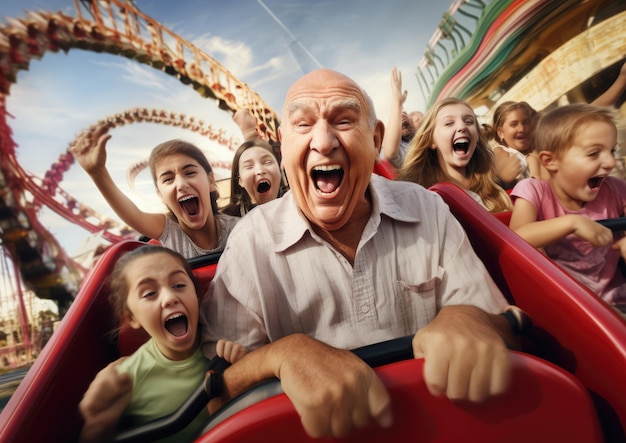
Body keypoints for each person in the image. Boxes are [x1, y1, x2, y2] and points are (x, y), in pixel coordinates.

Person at [199, 69, 521, 439]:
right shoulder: (250, 241)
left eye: (344, 120)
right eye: (303, 124)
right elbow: (218, 397)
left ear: (376, 138)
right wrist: (281, 356)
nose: (322, 141)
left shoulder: (428, 209)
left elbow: (505, 326)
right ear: (283, 148)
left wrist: (471, 320)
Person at [78, 245, 247, 443]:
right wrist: (99, 421)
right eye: (150, 293)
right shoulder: (125, 379)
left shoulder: (224, 338)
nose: (170, 298)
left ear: (197, 295)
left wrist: (244, 364)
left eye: (179, 285)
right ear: (131, 317)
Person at [509, 103, 626, 309]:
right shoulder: (534, 190)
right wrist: (572, 222)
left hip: (618, 298)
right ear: (550, 161)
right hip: (571, 307)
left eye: (612, 150)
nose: (610, 162)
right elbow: (515, 237)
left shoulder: (615, 188)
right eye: (593, 153)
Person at [71, 125, 238, 258]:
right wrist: (97, 173)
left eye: (189, 173)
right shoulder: (169, 231)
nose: (180, 184)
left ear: (210, 181)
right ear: (160, 195)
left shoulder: (239, 228)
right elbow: (134, 215)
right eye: (168, 179)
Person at [396, 97, 511, 214]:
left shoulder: (493, 185)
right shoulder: (424, 199)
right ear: (431, 141)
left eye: (469, 122)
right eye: (449, 123)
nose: (462, 127)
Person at [220, 139, 286, 217]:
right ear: (240, 180)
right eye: (249, 166)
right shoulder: (231, 220)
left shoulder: (297, 202)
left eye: (267, 162)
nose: (260, 171)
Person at [484, 101, 538, 187]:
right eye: (514, 124)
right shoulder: (502, 153)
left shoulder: (539, 148)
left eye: (525, 122)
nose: (521, 129)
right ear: (501, 133)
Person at [380, 67, 416, 170]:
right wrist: (397, 100)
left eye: (405, 112)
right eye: (398, 114)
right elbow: (391, 152)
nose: (402, 114)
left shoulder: (424, 138)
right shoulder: (400, 148)